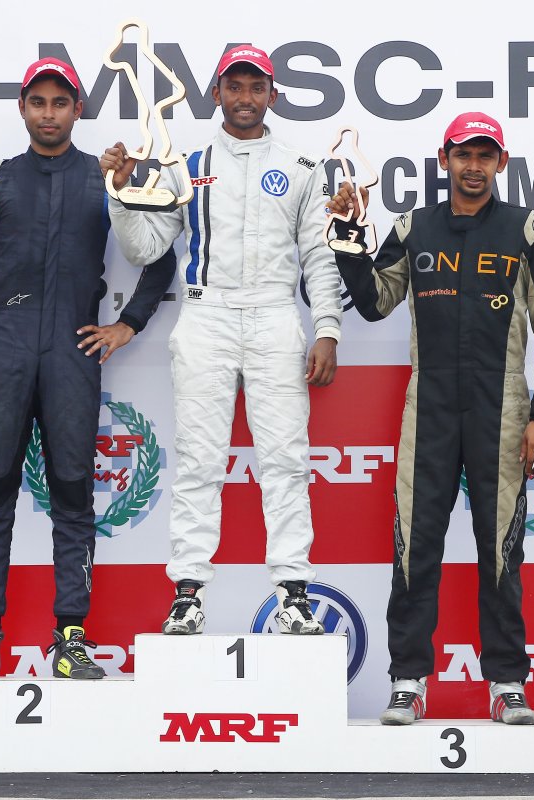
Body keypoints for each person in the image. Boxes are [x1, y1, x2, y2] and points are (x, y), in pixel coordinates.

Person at [0, 57, 176, 680]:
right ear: (23, 108)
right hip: (7, 347)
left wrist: (127, 325)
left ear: (77, 109)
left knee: (74, 492)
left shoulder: (107, 178)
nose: (49, 113)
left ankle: (72, 638)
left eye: (60, 102)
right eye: (38, 102)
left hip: (72, 352)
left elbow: (158, 258)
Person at [329, 112, 534, 724]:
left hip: (504, 404)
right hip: (429, 401)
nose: (474, 165)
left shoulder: (530, 229)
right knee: (415, 546)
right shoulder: (413, 228)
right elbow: (375, 302)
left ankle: (508, 683)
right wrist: (350, 245)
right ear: (444, 160)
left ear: (501, 164)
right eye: (464, 154)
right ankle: (408, 678)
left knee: (500, 550)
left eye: (485, 155)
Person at [100, 45, 342, 636]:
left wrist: (329, 329)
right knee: (199, 461)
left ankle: (293, 594)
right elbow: (144, 249)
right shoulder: (186, 165)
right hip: (206, 317)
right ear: (216, 93)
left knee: (286, 460)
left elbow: (317, 256)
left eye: (256, 87)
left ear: (272, 96)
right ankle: (187, 593)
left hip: (274, 317)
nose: (245, 98)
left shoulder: (303, 167)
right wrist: (120, 191)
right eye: (234, 86)